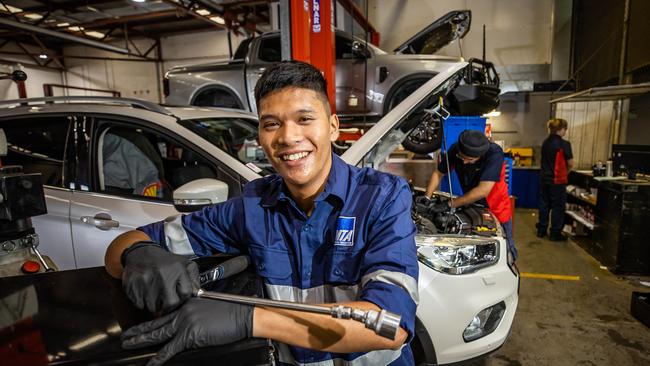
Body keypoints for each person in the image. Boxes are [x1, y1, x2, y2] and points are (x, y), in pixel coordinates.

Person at [104, 61, 419, 366]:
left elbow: (389, 325)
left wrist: (249, 320)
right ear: (260, 136)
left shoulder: (382, 197)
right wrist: (139, 251)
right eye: (272, 123)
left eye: (304, 119)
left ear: (333, 127)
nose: (287, 137)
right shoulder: (252, 207)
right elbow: (120, 248)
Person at [424, 129, 516, 259]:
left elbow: (483, 190)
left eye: (470, 159)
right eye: (462, 157)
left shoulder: (494, 154)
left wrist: (449, 204)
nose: (464, 162)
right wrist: (427, 197)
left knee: (504, 251)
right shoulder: (455, 149)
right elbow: (438, 173)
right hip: (472, 206)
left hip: (497, 209)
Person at [537, 118, 573, 241]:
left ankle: (541, 230)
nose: (565, 131)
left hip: (544, 179)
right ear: (561, 129)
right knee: (558, 207)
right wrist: (566, 173)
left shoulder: (545, 143)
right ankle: (555, 233)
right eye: (565, 129)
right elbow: (571, 163)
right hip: (557, 180)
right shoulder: (564, 144)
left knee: (544, 204)